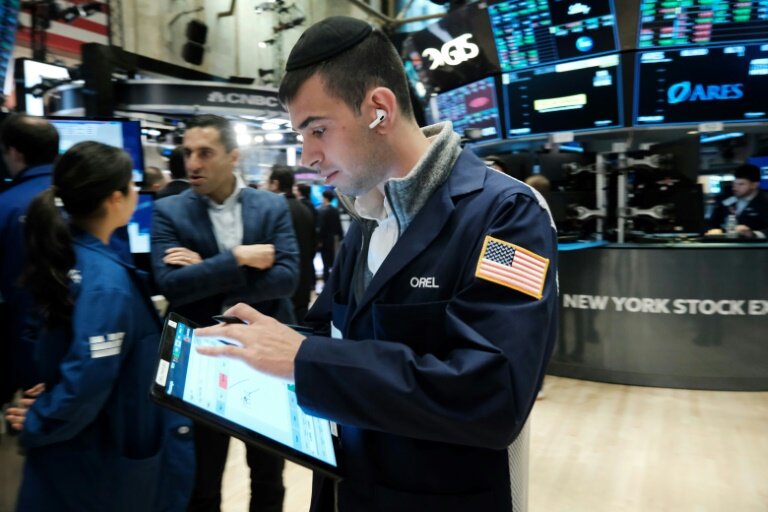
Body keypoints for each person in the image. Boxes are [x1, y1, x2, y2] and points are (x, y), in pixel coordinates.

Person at [194, 17, 558, 512]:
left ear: (379, 110)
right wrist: (255, 350)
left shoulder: (504, 215)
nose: (308, 157)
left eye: (317, 130)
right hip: (349, 487)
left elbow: (492, 395)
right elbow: (332, 333)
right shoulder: (370, 215)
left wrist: (304, 359)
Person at [4, 141, 194, 511]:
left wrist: (50, 393)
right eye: (132, 185)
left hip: (83, 452)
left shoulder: (70, 256)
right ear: (114, 198)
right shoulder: (106, 283)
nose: (137, 193)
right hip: (95, 464)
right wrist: (41, 418)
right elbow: (85, 382)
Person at [150, 114, 299, 512]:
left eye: (205, 153)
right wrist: (235, 259)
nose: (192, 164)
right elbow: (171, 285)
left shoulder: (270, 206)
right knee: (203, 477)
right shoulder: (168, 211)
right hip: (201, 357)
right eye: (187, 153)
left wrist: (206, 268)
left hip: (266, 356)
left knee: (268, 473)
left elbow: (287, 278)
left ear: (233, 157)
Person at [0, 114, 59, 405]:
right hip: (85, 350)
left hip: (24, 351)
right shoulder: (87, 200)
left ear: (14, 152)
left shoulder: (5, 206)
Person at [268, 165, 317, 324]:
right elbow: (313, 246)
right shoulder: (305, 209)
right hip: (303, 283)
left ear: (275, 184)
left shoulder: (273, 210)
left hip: (280, 290)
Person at [706, 163, 768, 238]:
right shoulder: (725, 198)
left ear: (754, 185)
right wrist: (712, 230)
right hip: (725, 244)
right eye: (734, 184)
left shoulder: (764, 201)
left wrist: (753, 234)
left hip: (756, 246)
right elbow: (713, 222)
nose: (735, 188)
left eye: (741, 184)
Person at [316, 189, 343, 284]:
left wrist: (318, 240)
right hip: (334, 240)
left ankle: (326, 282)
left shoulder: (321, 211)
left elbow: (320, 228)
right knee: (333, 262)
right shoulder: (335, 210)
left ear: (325, 198)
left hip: (324, 240)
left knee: (325, 263)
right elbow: (339, 227)